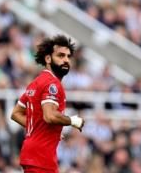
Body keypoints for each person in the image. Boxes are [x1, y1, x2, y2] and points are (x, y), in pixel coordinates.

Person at [10, 35, 85, 173]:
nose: (66, 60)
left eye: (68, 56)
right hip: (41, 157)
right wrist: (72, 121)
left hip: (33, 153)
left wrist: (46, 131)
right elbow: (49, 116)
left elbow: (16, 114)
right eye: (61, 56)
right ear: (48, 58)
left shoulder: (35, 82)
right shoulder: (52, 84)